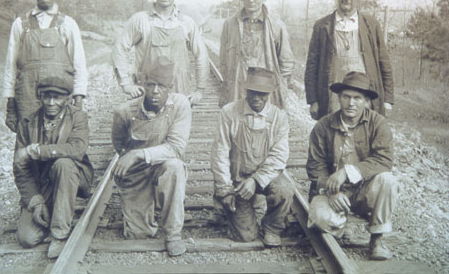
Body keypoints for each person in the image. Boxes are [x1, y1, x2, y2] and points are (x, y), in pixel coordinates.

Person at [306, 71, 398, 260]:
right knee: (320, 218)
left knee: (388, 180)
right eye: (346, 97)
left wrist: (347, 172)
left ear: (366, 101)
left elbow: (384, 159)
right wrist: (332, 191)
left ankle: (377, 239)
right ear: (339, 98)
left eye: (357, 98)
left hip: (365, 191)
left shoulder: (378, 123)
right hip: (334, 193)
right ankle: (339, 227)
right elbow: (315, 167)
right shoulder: (323, 126)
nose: (351, 103)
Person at [111, 56, 191, 257]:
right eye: (151, 84)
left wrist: (139, 153)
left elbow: (176, 147)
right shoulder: (125, 111)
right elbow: (119, 144)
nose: (155, 91)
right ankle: (144, 202)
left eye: (162, 86)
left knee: (175, 167)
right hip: (137, 174)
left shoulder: (180, 105)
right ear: (143, 84)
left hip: (162, 166)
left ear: (170, 87)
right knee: (138, 234)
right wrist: (129, 159)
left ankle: (173, 234)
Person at [211, 67, 294, 246]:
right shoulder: (229, 112)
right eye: (253, 92)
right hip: (238, 181)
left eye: (262, 94)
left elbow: (279, 156)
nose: (257, 98)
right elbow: (220, 153)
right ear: (246, 90)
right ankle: (227, 209)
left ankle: (272, 227)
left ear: (269, 94)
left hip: (264, 179)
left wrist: (256, 181)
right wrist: (224, 189)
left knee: (285, 189)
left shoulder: (279, 117)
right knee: (245, 236)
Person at [13, 76, 93, 259]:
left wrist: (37, 151)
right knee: (27, 238)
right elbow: (20, 168)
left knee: (63, 163)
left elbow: (77, 149)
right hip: (43, 184)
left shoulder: (78, 117)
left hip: (72, 176)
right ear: (40, 97)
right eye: (46, 97)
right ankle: (49, 208)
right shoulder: (27, 123)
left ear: (67, 98)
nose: (51, 102)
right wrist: (36, 201)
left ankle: (59, 234)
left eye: (57, 98)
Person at [304, 0, 394, 120]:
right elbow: (312, 65)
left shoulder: (371, 25)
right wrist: (313, 100)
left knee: (364, 138)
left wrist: (388, 100)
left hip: (364, 98)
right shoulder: (322, 26)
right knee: (333, 139)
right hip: (332, 98)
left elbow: (384, 62)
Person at [3, 0, 88, 132]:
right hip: (27, 94)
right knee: (28, 137)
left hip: (59, 94)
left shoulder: (67, 23)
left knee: (60, 137)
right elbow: (11, 65)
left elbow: (79, 63)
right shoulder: (20, 24)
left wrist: (79, 97)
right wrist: (10, 103)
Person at [112, 0, 208, 106]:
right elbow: (119, 49)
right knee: (146, 126)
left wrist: (200, 89)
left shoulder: (186, 23)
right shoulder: (140, 20)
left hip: (179, 92)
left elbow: (202, 55)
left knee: (177, 126)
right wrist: (126, 84)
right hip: (148, 92)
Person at [219, 0, 294, 109]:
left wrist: (280, 86)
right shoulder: (230, 24)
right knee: (238, 125)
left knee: (265, 127)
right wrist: (228, 84)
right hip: (238, 88)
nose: (251, 0)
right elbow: (223, 60)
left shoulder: (277, 25)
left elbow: (286, 62)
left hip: (266, 93)